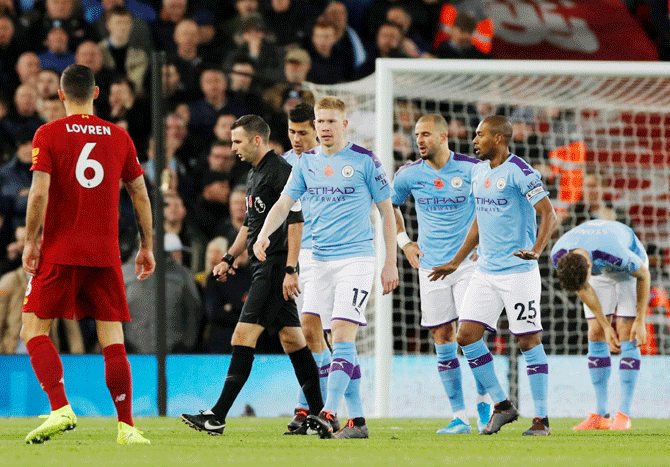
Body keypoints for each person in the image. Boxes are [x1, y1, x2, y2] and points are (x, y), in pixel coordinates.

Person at [20, 64, 154, 445]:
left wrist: (32, 240)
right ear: (96, 94)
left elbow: (39, 192)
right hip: (105, 253)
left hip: (61, 250)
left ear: (61, 95)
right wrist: (146, 245)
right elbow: (140, 194)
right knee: (112, 338)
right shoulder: (119, 137)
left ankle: (61, 408)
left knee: (33, 328)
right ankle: (127, 428)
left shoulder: (48, 133)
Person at [253, 97, 399, 439]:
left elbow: (387, 212)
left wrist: (389, 261)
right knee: (311, 331)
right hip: (317, 260)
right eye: (321, 122)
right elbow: (284, 204)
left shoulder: (365, 161)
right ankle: (358, 421)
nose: (325, 128)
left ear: (344, 124)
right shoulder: (306, 163)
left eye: (332, 122)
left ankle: (328, 411)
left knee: (342, 332)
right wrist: (262, 236)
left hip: (356, 259)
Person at [180, 115, 324, 435]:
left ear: (257, 141)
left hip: (274, 266)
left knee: (242, 337)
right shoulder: (254, 173)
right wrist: (230, 257)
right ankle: (321, 415)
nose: (233, 148)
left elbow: (296, 221)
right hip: (263, 264)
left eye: (238, 142)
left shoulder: (280, 171)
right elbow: (251, 224)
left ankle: (217, 416)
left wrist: (290, 268)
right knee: (292, 339)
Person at [430, 115, 557, 436]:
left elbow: (549, 214)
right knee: (466, 337)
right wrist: (456, 261)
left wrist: (537, 249)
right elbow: (478, 223)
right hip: (485, 272)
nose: (474, 140)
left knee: (528, 340)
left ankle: (541, 419)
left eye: (480, 135)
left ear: (498, 139)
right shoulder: (478, 172)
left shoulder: (519, 171)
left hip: (519, 273)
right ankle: (502, 404)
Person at [392, 113, 491, 434]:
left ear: (443, 136)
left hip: (469, 265)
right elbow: (388, 205)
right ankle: (460, 415)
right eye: (416, 134)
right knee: (442, 338)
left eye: (426, 134)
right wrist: (404, 242)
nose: (419, 140)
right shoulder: (408, 175)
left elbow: (494, 203)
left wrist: (485, 241)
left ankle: (485, 403)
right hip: (431, 268)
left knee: (471, 336)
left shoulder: (472, 169)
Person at [551, 220, 649, 431]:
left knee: (627, 332)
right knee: (595, 332)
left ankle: (624, 414)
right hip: (599, 272)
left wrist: (640, 320)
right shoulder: (559, 256)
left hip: (629, 272)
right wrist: (605, 326)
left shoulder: (617, 253)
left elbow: (643, 275)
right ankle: (601, 414)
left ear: (588, 267)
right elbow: (581, 287)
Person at [279, 103, 336, 435]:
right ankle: (313, 409)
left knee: (324, 336)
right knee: (307, 335)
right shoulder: (285, 164)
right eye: (291, 131)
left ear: (316, 129)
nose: (296, 138)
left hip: (332, 259)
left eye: (302, 132)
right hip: (298, 261)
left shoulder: (337, 161)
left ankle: (313, 410)